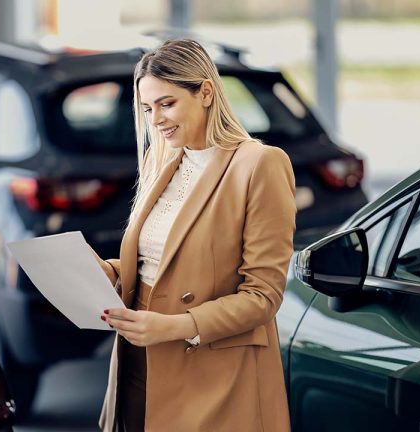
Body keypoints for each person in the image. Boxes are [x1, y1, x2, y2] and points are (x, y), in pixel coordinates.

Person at [92, 39, 296, 431]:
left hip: (212, 373)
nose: (156, 120)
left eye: (167, 104)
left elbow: (263, 296)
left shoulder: (259, 165)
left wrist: (176, 325)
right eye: (147, 108)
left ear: (205, 92)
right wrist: (112, 272)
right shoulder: (162, 156)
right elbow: (162, 260)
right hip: (138, 356)